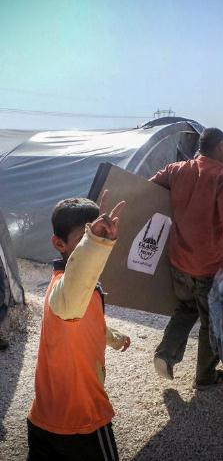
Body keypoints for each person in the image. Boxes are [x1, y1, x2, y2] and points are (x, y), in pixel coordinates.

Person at [150, 128, 223, 390]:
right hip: (208, 266)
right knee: (212, 321)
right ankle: (204, 376)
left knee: (186, 309)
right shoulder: (222, 177)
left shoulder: (176, 169)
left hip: (178, 260)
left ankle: (165, 354)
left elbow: (149, 188)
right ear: (222, 147)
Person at [27, 193, 130, 461]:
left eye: (104, 237)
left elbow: (87, 323)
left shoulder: (82, 290)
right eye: (83, 238)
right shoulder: (64, 291)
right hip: (83, 422)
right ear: (58, 244)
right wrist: (94, 242)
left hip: (45, 418)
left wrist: (114, 338)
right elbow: (74, 294)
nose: (100, 243)